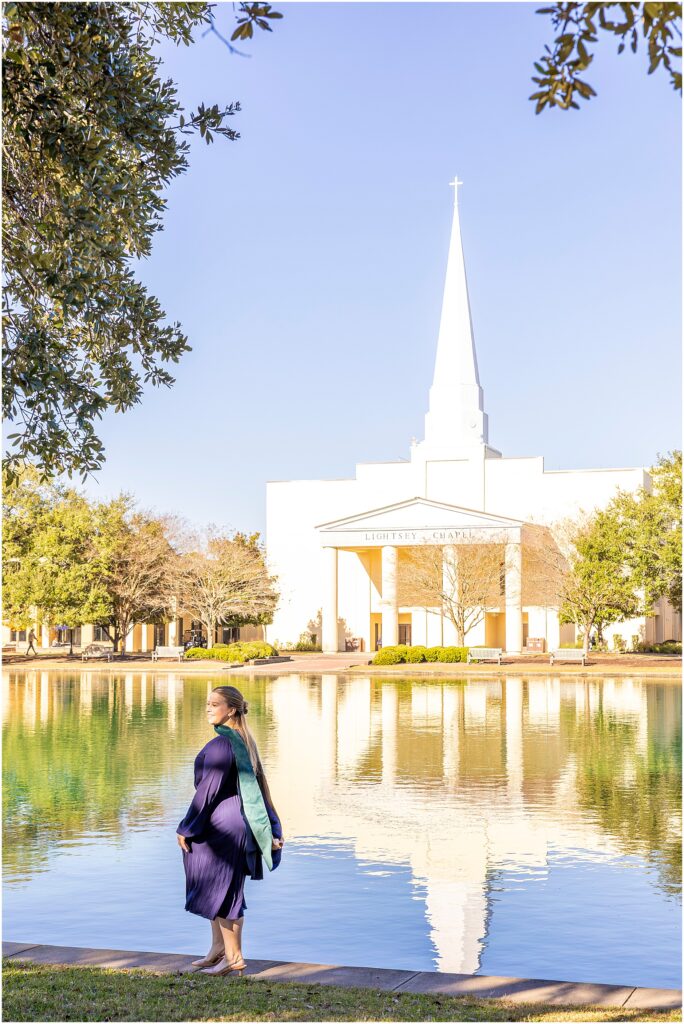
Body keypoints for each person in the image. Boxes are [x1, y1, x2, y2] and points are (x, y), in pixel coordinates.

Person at [176, 685, 284, 976]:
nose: (208, 709)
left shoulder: (224, 746)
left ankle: (234, 956)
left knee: (225, 891)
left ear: (231, 710)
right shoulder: (239, 740)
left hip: (223, 826)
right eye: (207, 703)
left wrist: (186, 826)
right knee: (216, 887)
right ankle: (218, 949)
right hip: (227, 823)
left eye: (214, 704)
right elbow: (258, 788)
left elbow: (208, 792)